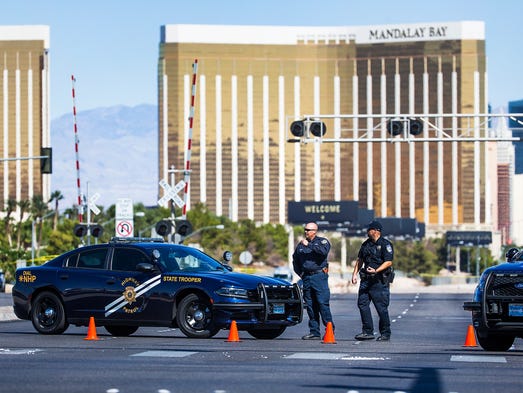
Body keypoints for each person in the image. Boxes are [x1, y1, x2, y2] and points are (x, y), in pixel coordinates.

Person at [351, 220, 394, 341]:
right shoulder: (365, 245)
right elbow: (360, 260)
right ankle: (367, 331)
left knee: (381, 308)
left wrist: (376, 270)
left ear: (375, 231)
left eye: (369, 229)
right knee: (362, 304)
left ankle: (385, 333)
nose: (367, 232)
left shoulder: (386, 245)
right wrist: (354, 274)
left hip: (379, 281)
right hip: (366, 280)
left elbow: (388, 261)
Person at [292, 222, 334, 340]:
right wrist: (301, 274)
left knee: (322, 303)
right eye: (305, 229)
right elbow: (295, 260)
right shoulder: (300, 245)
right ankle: (314, 331)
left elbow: (323, 252)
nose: (306, 232)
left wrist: (309, 245)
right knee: (310, 305)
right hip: (307, 278)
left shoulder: (322, 242)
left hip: (319, 277)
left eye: (308, 230)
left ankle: (330, 329)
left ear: (314, 231)